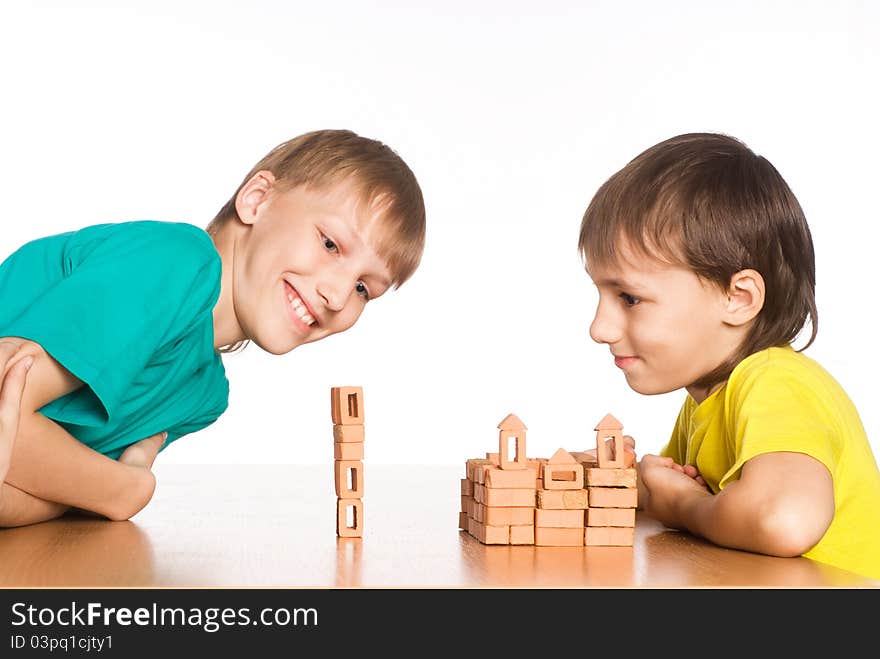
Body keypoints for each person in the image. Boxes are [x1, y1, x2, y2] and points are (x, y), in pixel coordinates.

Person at [0, 129, 425, 527]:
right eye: (330, 243)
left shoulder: (203, 396)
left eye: (364, 289)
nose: (337, 295)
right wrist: (126, 491)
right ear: (257, 199)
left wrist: (96, 491)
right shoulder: (176, 262)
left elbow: (45, 498)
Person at [578, 132, 880, 580]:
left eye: (629, 297)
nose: (598, 328)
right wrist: (623, 484)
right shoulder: (704, 403)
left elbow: (783, 519)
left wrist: (683, 506)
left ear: (738, 298)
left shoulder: (776, 383)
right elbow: (670, 496)